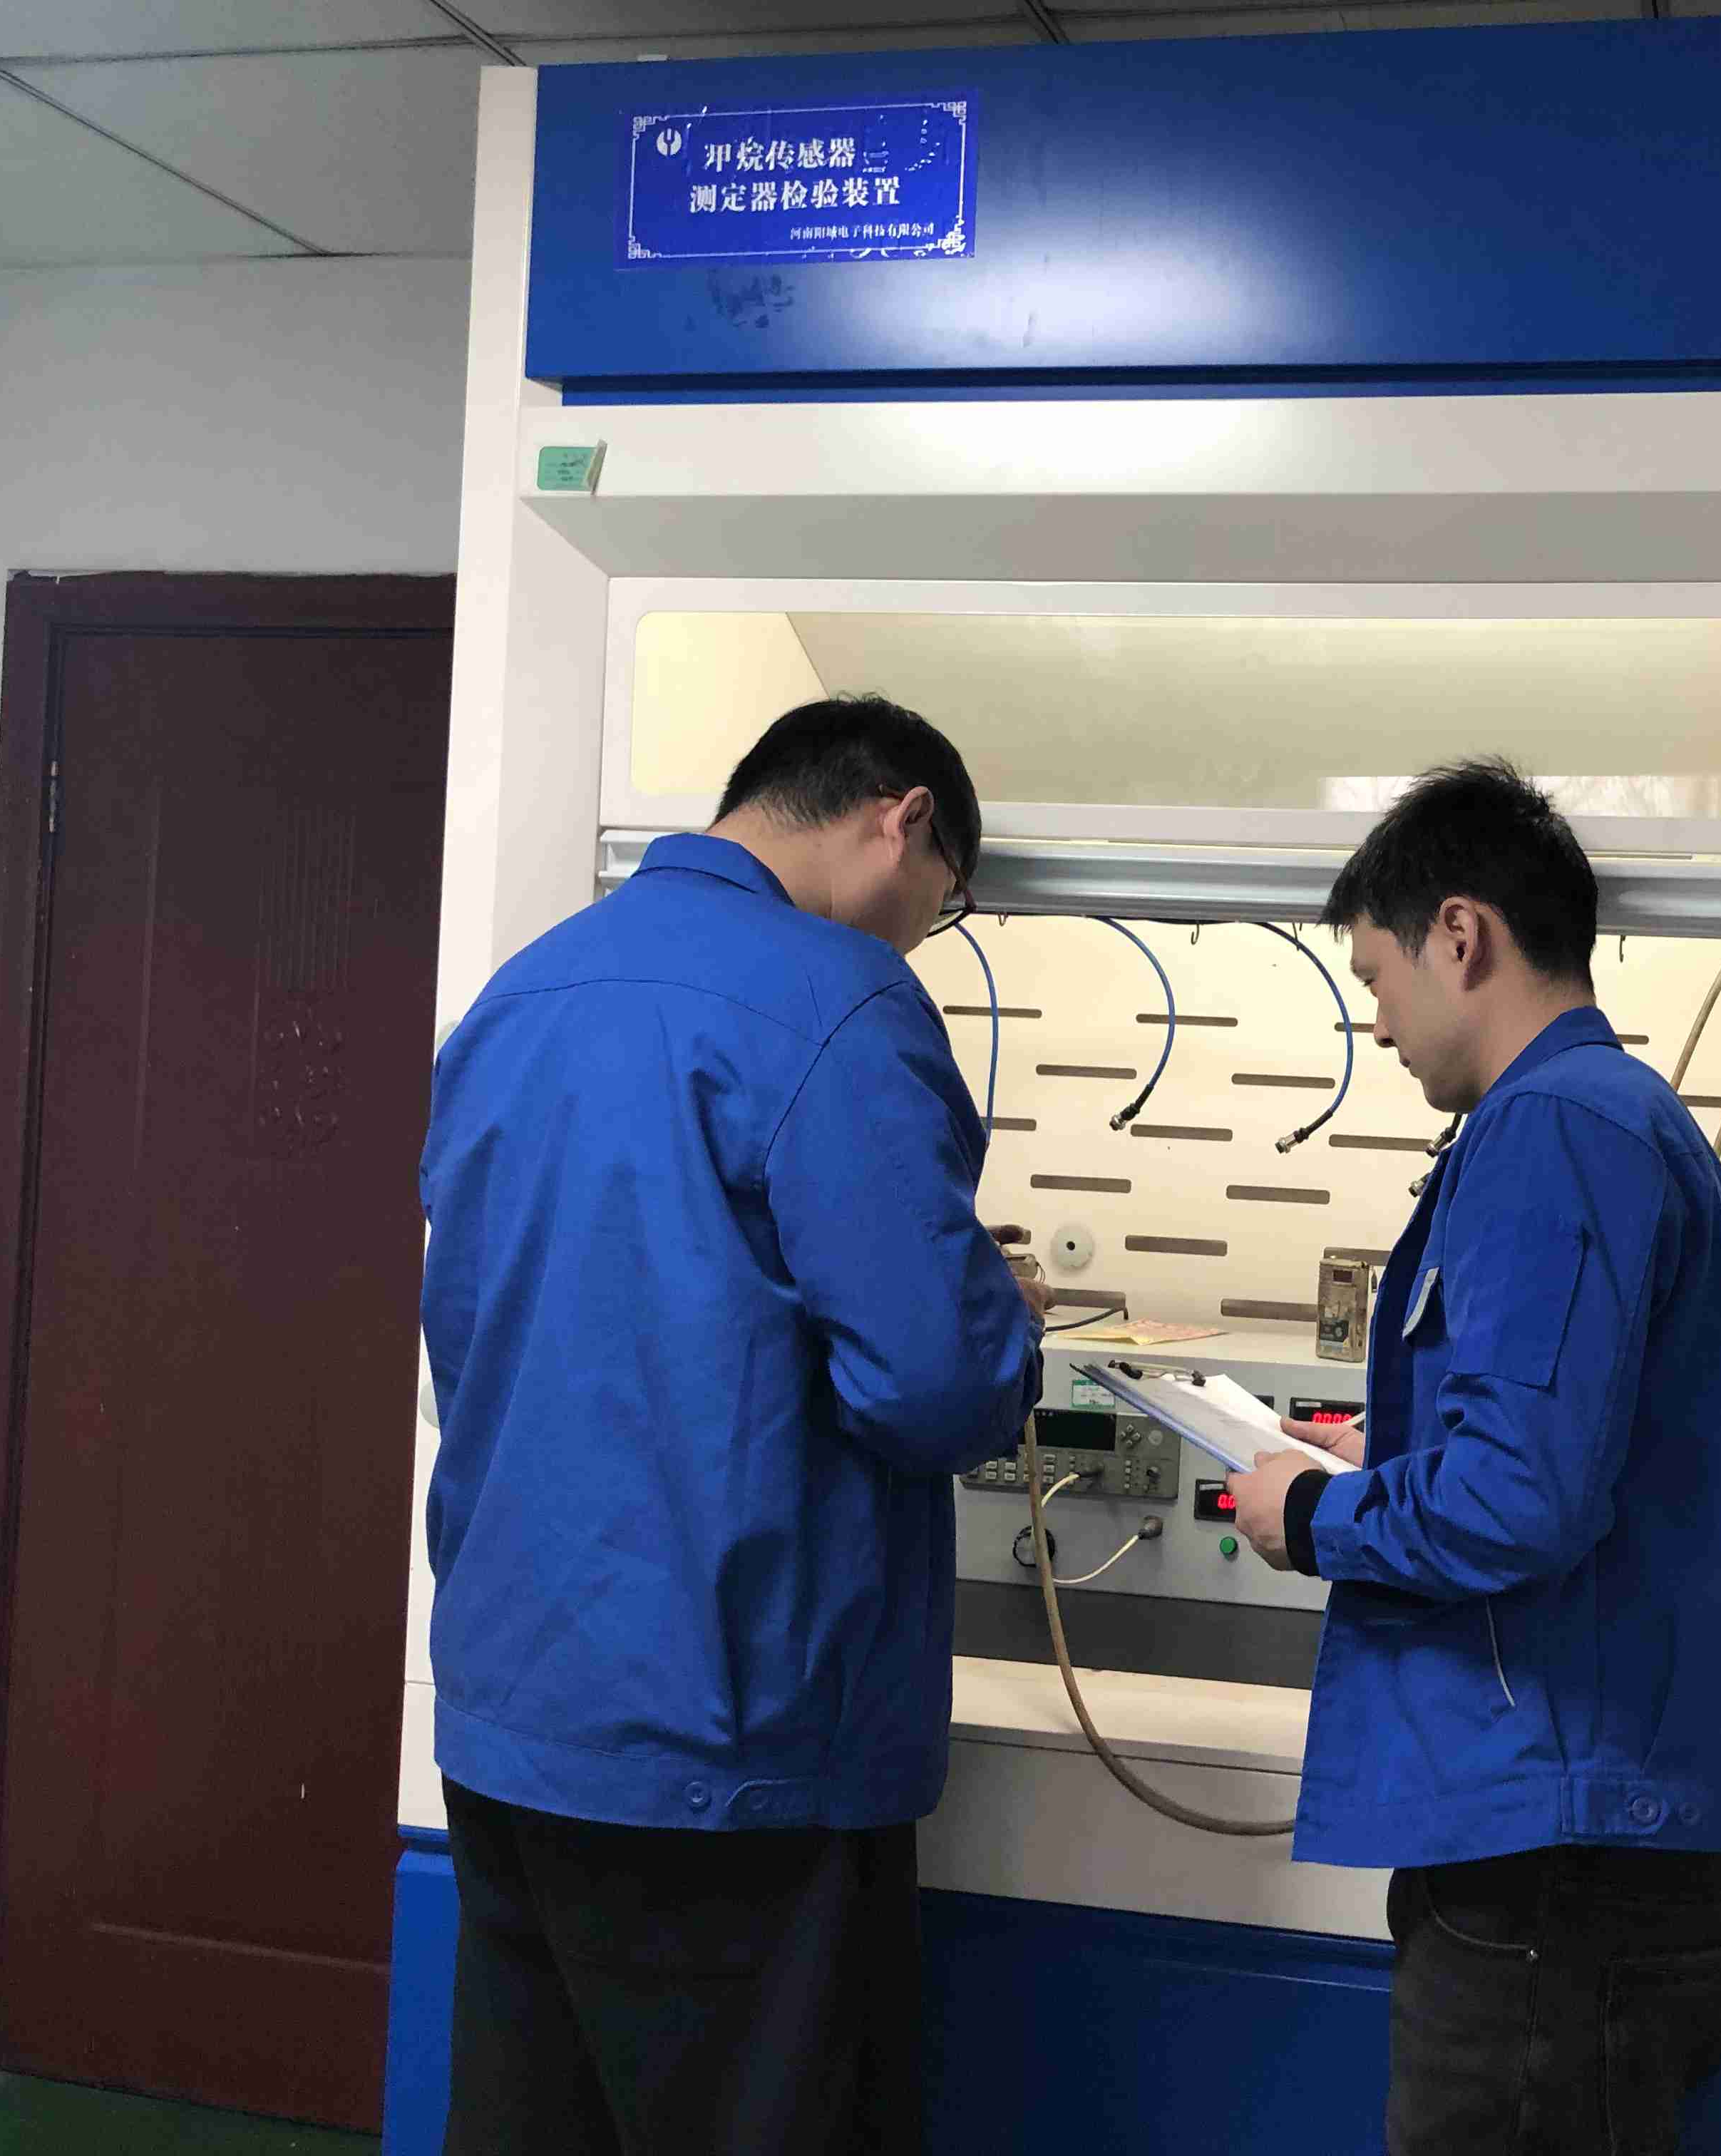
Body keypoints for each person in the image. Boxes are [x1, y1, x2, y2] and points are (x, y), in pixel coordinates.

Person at [418, 696, 1047, 2155]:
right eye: (942, 900)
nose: (921, 934)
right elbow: (934, 1386)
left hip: (515, 1726)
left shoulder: (521, 995)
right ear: (900, 820)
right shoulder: (840, 1001)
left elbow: (496, 1331)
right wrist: (1002, 1318)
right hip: (734, 1752)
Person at [1226, 760, 1721, 2156]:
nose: (1377, 1022)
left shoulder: (1553, 1131)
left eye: (1376, 977)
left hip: (1552, 1870)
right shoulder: (1630, 1121)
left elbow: (1521, 1499)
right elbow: (1589, 1443)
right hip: (1595, 1845)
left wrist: (1317, 1515)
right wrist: (1385, 1453)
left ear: (1461, 936)